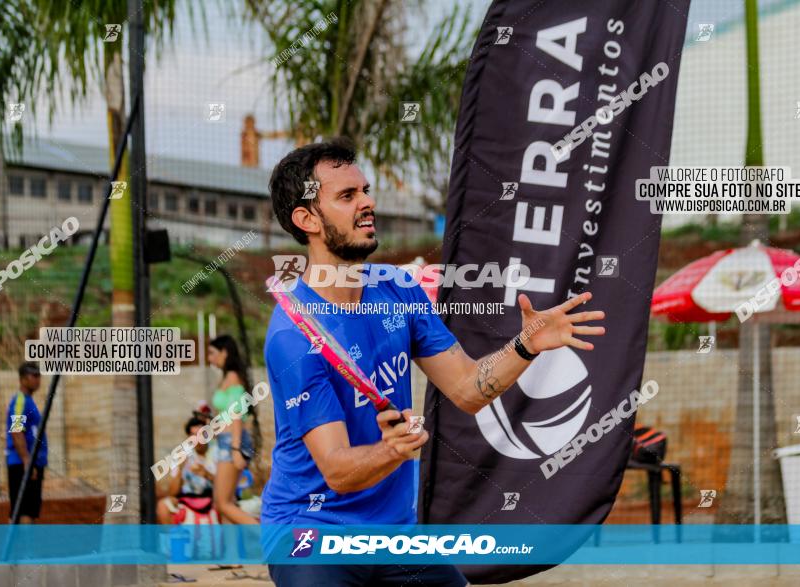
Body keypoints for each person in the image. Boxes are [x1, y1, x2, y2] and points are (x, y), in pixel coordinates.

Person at [262, 138, 606, 586]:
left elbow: (467, 388)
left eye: (365, 190)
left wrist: (526, 344)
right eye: (347, 196)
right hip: (309, 534)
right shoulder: (292, 336)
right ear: (307, 219)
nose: (367, 202)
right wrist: (392, 449)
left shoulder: (396, 290)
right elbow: (339, 472)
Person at [207, 335, 260, 525]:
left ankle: (270, 538)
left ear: (225, 353)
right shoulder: (229, 378)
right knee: (228, 501)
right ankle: (233, 554)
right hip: (226, 441)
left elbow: (236, 414)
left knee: (222, 503)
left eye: (213, 353)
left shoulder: (233, 378)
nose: (209, 358)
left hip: (232, 442)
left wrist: (236, 449)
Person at [5, 361, 46, 524]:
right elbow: (16, 431)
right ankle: (25, 550)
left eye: (39, 376)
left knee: (27, 510)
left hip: (30, 463)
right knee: (24, 511)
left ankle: (18, 549)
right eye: (34, 376)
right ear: (23, 379)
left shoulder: (29, 401)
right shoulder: (20, 401)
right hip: (23, 464)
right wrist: (27, 460)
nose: (38, 379)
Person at [156, 417, 218, 524]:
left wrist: (206, 474)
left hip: (212, 498)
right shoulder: (182, 455)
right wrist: (180, 469)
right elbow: (172, 493)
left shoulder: (217, 452)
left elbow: (226, 486)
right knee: (162, 506)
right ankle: (174, 539)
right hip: (187, 500)